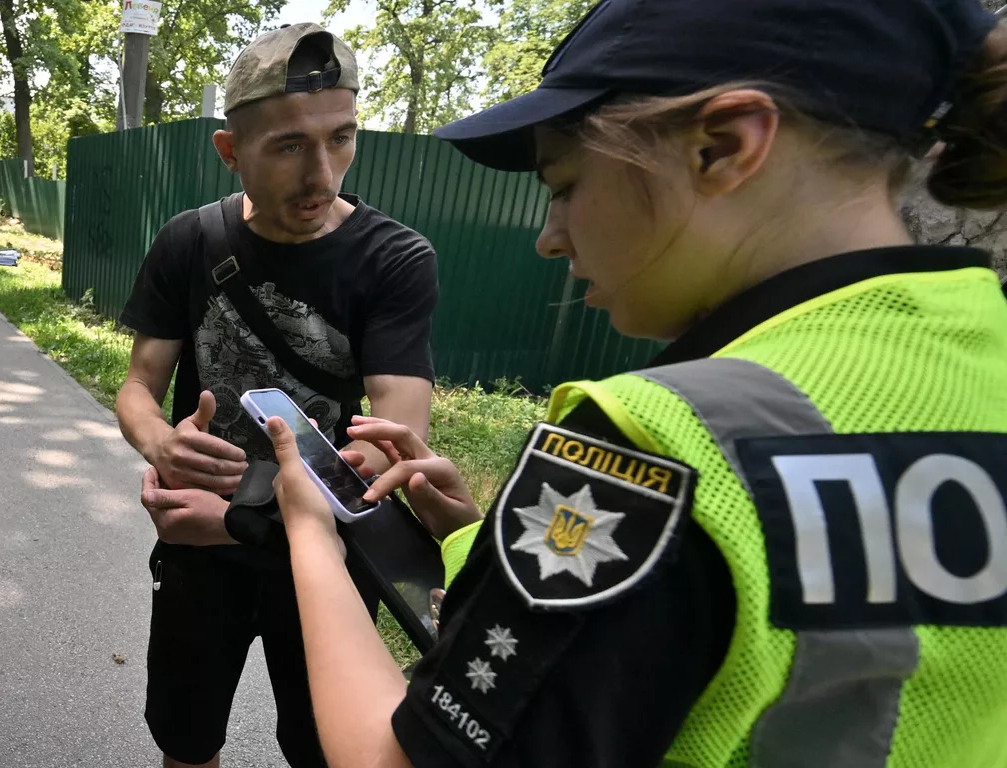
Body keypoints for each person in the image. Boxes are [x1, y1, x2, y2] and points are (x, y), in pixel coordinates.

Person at [257, 0, 1007, 766]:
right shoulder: (985, 355)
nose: (550, 238)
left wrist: (313, 531)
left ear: (723, 147)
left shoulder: (657, 449)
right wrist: (470, 540)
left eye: (565, 184)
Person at [116, 23, 440, 768]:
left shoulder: (394, 260)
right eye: (290, 145)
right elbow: (139, 386)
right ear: (231, 153)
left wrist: (236, 522)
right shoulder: (188, 243)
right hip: (200, 556)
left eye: (341, 138)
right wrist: (161, 442)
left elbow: (386, 452)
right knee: (187, 738)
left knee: (326, 750)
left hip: (323, 557)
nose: (322, 173)